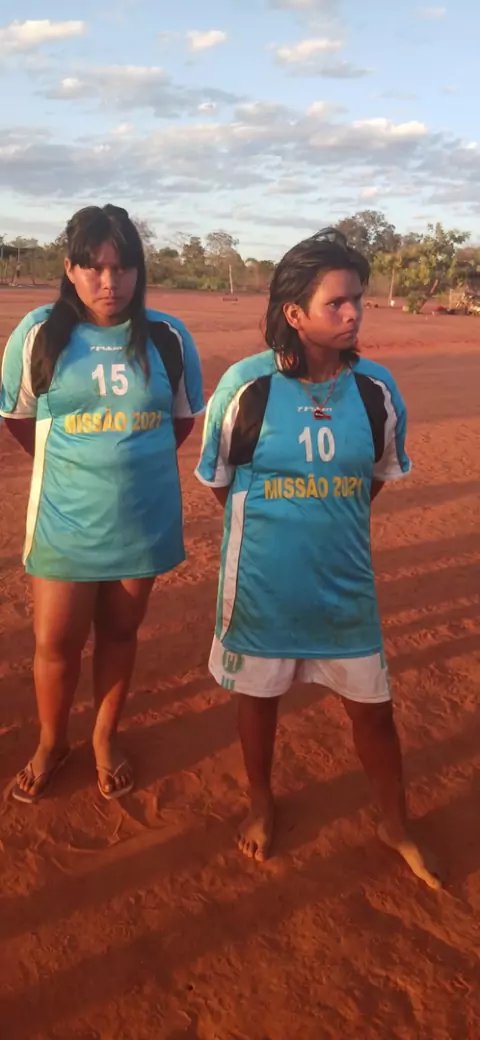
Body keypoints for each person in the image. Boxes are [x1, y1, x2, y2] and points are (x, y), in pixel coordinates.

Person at [196, 228, 441, 889]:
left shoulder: (375, 389)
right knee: (258, 700)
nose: (354, 313)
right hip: (262, 584)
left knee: (375, 712)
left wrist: (327, 516)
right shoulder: (245, 386)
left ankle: (395, 824)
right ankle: (261, 803)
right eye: (337, 302)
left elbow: (376, 475)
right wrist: (279, 525)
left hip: (344, 586)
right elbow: (222, 482)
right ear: (294, 313)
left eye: (357, 298)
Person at [1, 204, 204, 804]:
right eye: (94, 267)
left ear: (140, 271)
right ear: (70, 268)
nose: (109, 281)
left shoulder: (167, 337)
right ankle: (51, 742)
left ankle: (103, 738)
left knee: (119, 634)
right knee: (54, 643)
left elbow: (180, 420)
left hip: (142, 520)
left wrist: (128, 465)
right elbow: (18, 418)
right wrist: (78, 467)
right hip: (63, 520)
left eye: (123, 267)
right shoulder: (40, 332)